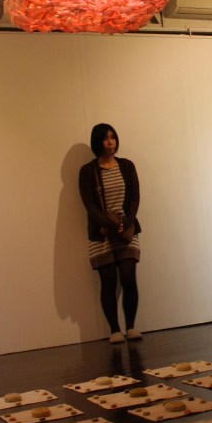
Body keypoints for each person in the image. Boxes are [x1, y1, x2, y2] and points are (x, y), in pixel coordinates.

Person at [78, 123, 142, 344]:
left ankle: (131, 327)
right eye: (105, 138)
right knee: (108, 282)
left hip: (127, 231)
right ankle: (114, 330)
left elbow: (135, 197)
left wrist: (127, 221)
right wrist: (110, 224)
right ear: (97, 142)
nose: (110, 142)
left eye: (113, 137)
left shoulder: (127, 166)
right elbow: (89, 204)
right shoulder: (88, 171)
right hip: (101, 233)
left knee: (128, 278)